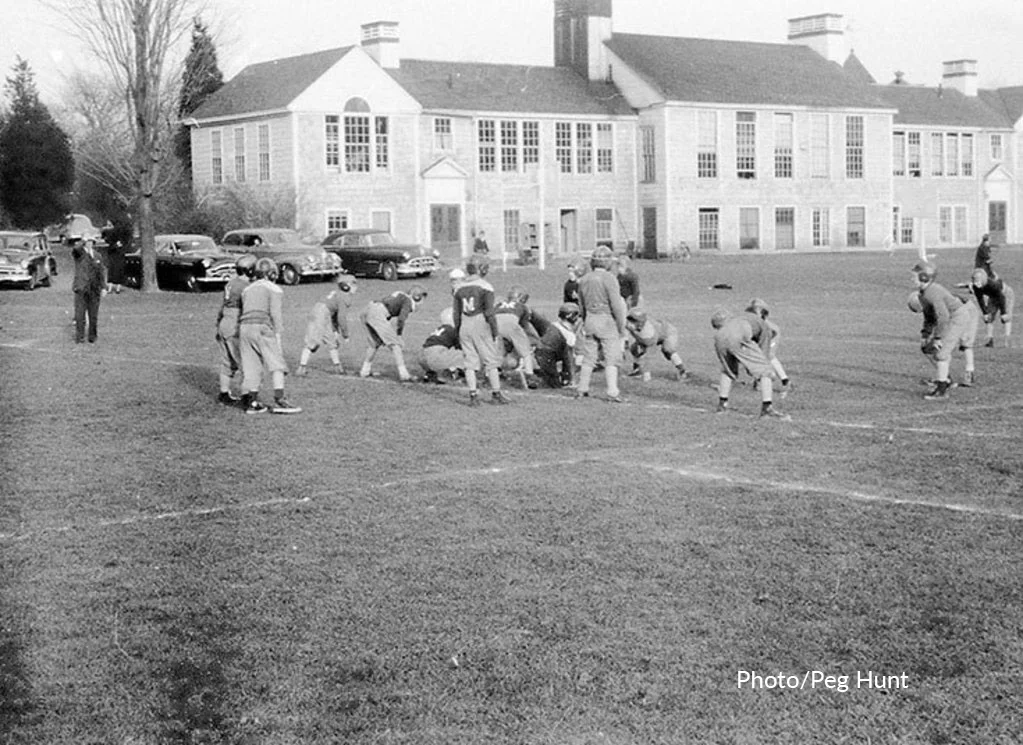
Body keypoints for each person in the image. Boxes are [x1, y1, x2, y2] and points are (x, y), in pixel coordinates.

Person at [238, 258, 301, 414]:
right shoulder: (274, 289)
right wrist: (278, 336)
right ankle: (279, 400)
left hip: (244, 328)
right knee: (277, 363)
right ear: (272, 273)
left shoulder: (247, 289)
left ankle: (251, 402)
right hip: (262, 326)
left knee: (251, 366)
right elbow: (275, 314)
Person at [909, 261, 979, 399]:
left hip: (957, 317)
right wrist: (925, 334)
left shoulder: (932, 292)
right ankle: (946, 380)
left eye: (915, 275)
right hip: (952, 317)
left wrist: (938, 338)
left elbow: (943, 316)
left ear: (924, 277)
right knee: (928, 349)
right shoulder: (924, 293)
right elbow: (929, 317)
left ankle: (942, 390)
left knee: (940, 353)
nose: (912, 278)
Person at [453, 253, 510, 405]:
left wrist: (457, 331)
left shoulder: (459, 288)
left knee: (470, 363)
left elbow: (456, 314)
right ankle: (496, 393)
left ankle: (473, 395)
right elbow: (490, 312)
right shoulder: (485, 287)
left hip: (464, 324)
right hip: (480, 322)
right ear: (482, 269)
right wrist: (494, 331)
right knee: (491, 361)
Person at [711, 307, 788, 418]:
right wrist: (758, 371)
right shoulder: (764, 327)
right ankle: (767, 408)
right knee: (766, 370)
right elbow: (763, 352)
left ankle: (722, 405)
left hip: (719, 339)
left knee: (727, 370)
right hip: (737, 336)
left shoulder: (737, 319)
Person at [576, 245, 628, 402]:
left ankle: (582, 388)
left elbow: (581, 304)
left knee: (589, 356)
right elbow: (616, 305)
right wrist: (621, 327)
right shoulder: (610, 279)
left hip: (590, 320)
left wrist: (585, 321)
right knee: (612, 357)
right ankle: (612, 391)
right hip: (606, 320)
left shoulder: (584, 279)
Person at [358, 285, 427, 382]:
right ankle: (404, 375)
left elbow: (390, 305)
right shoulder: (408, 301)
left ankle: (364, 371)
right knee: (396, 345)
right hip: (377, 313)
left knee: (373, 344)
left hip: (367, 309)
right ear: (417, 297)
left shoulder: (401, 295)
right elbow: (401, 319)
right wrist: (399, 335)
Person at [215, 253, 257, 405]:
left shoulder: (231, 283)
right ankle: (247, 398)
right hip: (235, 324)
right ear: (250, 270)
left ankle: (224, 393)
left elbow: (223, 306)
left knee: (227, 362)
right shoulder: (246, 287)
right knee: (246, 362)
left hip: (225, 322)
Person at [297, 275, 357, 376]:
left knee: (331, 341)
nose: (355, 287)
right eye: (353, 284)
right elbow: (341, 317)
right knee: (313, 342)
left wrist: (335, 331)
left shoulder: (338, 294)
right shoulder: (344, 297)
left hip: (323, 312)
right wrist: (345, 335)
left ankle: (338, 367)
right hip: (321, 313)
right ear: (346, 286)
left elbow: (334, 315)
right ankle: (301, 368)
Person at [624, 308, 689, 382]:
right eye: (630, 319)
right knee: (634, 349)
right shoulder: (629, 324)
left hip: (667, 333)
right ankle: (637, 371)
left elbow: (649, 355)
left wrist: (646, 375)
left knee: (668, 349)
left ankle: (682, 370)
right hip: (652, 334)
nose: (630, 323)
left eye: (634, 321)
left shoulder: (648, 333)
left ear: (640, 323)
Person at [494, 285, 539, 389]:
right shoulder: (523, 307)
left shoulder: (498, 304)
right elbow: (525, 326)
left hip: (494, 325)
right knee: (526, 352)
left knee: (498, 352)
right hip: (511, 324)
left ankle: (493, 372)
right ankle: (530, 375)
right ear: (521, 297)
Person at [745, 298, 791, 397]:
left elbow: (772, 333)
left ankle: (783, 380)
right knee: (762, 357)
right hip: (762, 336)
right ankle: (762, 380)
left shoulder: (768, 325)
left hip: (772, 335)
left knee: (768, 356)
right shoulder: (752, 319)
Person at [532, 303, 580, 389]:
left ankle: (560, 377)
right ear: (571, 316)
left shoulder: (554, 325)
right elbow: (569, 358)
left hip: (540, 353)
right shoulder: (568, 333)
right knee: (554, 384)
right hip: (546, 356)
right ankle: (565, 379)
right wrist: (572, 378)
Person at [71, 238, 107, 344]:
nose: (89, 244)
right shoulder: (79, 254)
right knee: (80, 314)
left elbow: (101, 272)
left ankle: (92, 336)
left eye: (91, 242)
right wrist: (82, 240)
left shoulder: (97, 256)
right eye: (87, 242)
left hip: (94, 289)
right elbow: (76, 249)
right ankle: (80, 336)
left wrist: (103, 287)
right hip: (81, 288)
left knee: (93, 314)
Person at [970, 268, 1014, 348]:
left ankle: (1007, 340)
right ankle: (989, 340)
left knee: (1006, 318)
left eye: (979, 280)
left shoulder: (992, 284)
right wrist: (985, 312)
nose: (977, 283)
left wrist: (1003, 312)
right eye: (975, 280)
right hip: (993, 296)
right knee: (989, 318)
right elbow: (980, 299)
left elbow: (1001, 297)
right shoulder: (976, 287)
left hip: (1005, 294)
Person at [420, 307, 465, 384]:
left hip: (422, 357)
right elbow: (462, 347)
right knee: (466, 355)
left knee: (443, 355)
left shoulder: (441, 329)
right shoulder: (453, 330)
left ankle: (430, 374)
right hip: (434, 356)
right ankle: (450, 374)